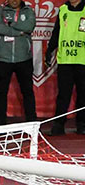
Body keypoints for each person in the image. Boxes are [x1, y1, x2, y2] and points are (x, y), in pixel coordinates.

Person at [0, 0, 37, 126]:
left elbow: (29, 26)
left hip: (24, 58)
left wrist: (11, 23)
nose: (14, 0)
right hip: (3, 59)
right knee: (1, 92)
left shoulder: (28, 11)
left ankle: (32, 122)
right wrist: (18, 32)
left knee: (27, 91)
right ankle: (0, 123)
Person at [49, 0, 85, 135]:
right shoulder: (63, 9)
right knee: (63, 95)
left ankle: (82, 124)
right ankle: (58, 125)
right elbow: (57, 31)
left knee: (83, 94)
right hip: (65, 60)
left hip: (82, 59)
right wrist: (50, 49)